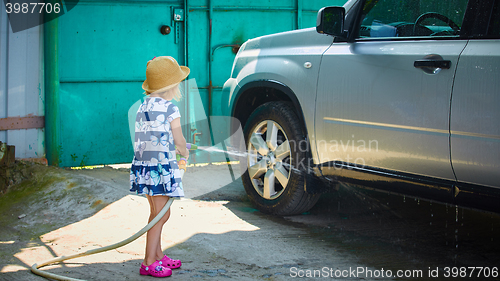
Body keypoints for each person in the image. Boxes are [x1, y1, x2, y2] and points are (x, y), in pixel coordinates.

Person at [130, 56, 190, 277]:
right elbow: (179, 139)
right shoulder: (170, 108)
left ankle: (157, 255)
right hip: (159, 170)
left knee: (157, 213)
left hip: (145, 168)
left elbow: (152, 138)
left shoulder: (143, 106)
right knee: (160, 216)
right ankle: (148, 262)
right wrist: (184, 150)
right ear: (172, 86)